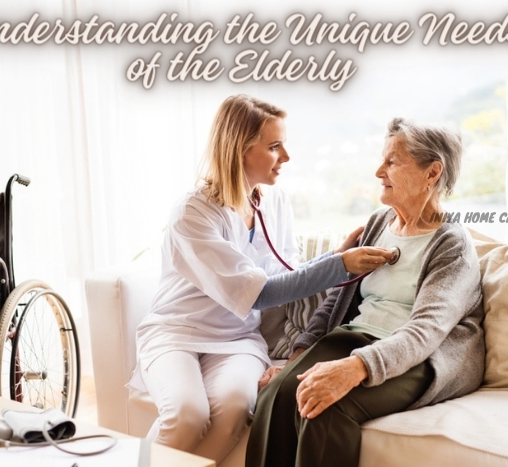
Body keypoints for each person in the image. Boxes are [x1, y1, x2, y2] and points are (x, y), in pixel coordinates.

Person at [129, 95, 394, 464]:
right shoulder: (194, 212)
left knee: (236, 409)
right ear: (238, 149)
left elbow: (287, 275)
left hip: (237, 339)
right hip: (178, 333)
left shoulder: (274, 201)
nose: (285, 156)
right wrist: (340, 265)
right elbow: (259, 293)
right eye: (274, 146)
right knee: (186, 415)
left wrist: (336, 256)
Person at [246, 118, 486, 467]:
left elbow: (425, 332)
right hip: (355, 339)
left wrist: (355, 367)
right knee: (276, 395)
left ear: (432, 173)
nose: (378, 171)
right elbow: (336, 302)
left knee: (322, 407)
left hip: (417, 358)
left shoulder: (451, 245)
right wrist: (297, 355)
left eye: (392, 161)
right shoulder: (378, 224)